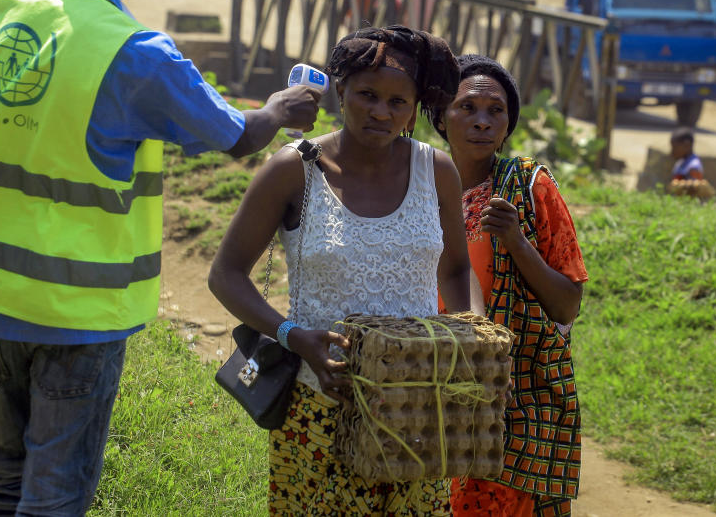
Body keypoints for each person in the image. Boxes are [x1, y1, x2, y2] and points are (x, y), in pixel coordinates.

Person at [0, 0, 320, 515]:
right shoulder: (137, 52)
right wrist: (277, 109)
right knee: (54, 489)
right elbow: (234, 135)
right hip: (73, 311)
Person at [209, 26, 483, 515]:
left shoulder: (436, 171)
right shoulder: (294, 169)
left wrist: (467, 340)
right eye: (367, 95)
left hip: (417, 413)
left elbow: (457, 271)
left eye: (399, 102)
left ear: (417, 106)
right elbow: (226, 274)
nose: (382, 112)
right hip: (319, 408)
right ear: (340, 90)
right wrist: (292, 335)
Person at [431, 54, 588, 516]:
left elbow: (566, 306)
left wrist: (516, 240)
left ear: (508, 124)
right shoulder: (416, 183)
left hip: (511, 396)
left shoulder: (529, 186)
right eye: (467, 107)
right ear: (441, 116)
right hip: (425, 385)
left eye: (495, 111)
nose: (482, 121)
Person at [669, 126, 715, 199]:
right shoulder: (680, 162)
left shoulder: (693, 166)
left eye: (675, 147)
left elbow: (696, 188)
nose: (672, 152)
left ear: (686, 145)